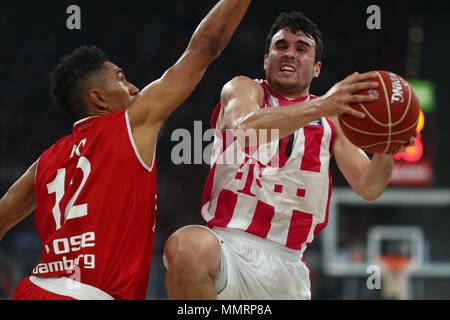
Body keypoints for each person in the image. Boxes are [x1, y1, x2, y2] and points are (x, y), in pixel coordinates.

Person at [0, 0, 252, 300]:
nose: (134, 88)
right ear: (99, 98)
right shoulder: (130, 126)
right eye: (120, 78)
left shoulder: (44, 162)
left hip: (32, 290)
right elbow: (205, 48)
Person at [163, 11, 418, 299]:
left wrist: (387, 148)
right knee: (187, 248)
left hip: (288, 267)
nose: (289, 54)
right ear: (266, 59)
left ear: (317, 68)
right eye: (280, 46)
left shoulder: (332, 121)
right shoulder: (244, 89)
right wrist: (322, 106)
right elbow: (246, 128)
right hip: (227, 251)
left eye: (301, 48)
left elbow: (370, 187)